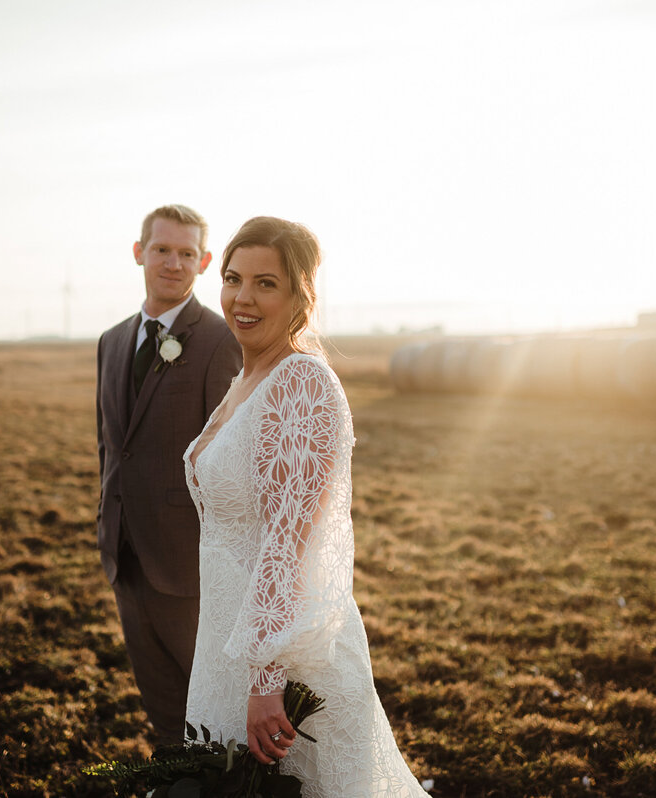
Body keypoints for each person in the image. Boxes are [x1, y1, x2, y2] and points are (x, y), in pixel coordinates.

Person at [183, 217, 429, 796]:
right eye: (233, 279)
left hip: (286, 665)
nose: (243, 298)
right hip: (228, 641)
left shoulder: (302, 383)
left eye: (266, 283)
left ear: (301, 296)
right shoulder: (249, 378)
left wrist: (266, 678)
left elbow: (287, 542)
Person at [96, 204, 243, 745]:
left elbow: (229, 465)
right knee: (161, 712)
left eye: (186, 253)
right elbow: (111, 446)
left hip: (189, 567)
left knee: (214, 714)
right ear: (140, 253)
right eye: (162, 249)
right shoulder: (111, 341)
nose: (173, 263)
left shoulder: (221, 341)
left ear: (204, 262)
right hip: (125, 556)